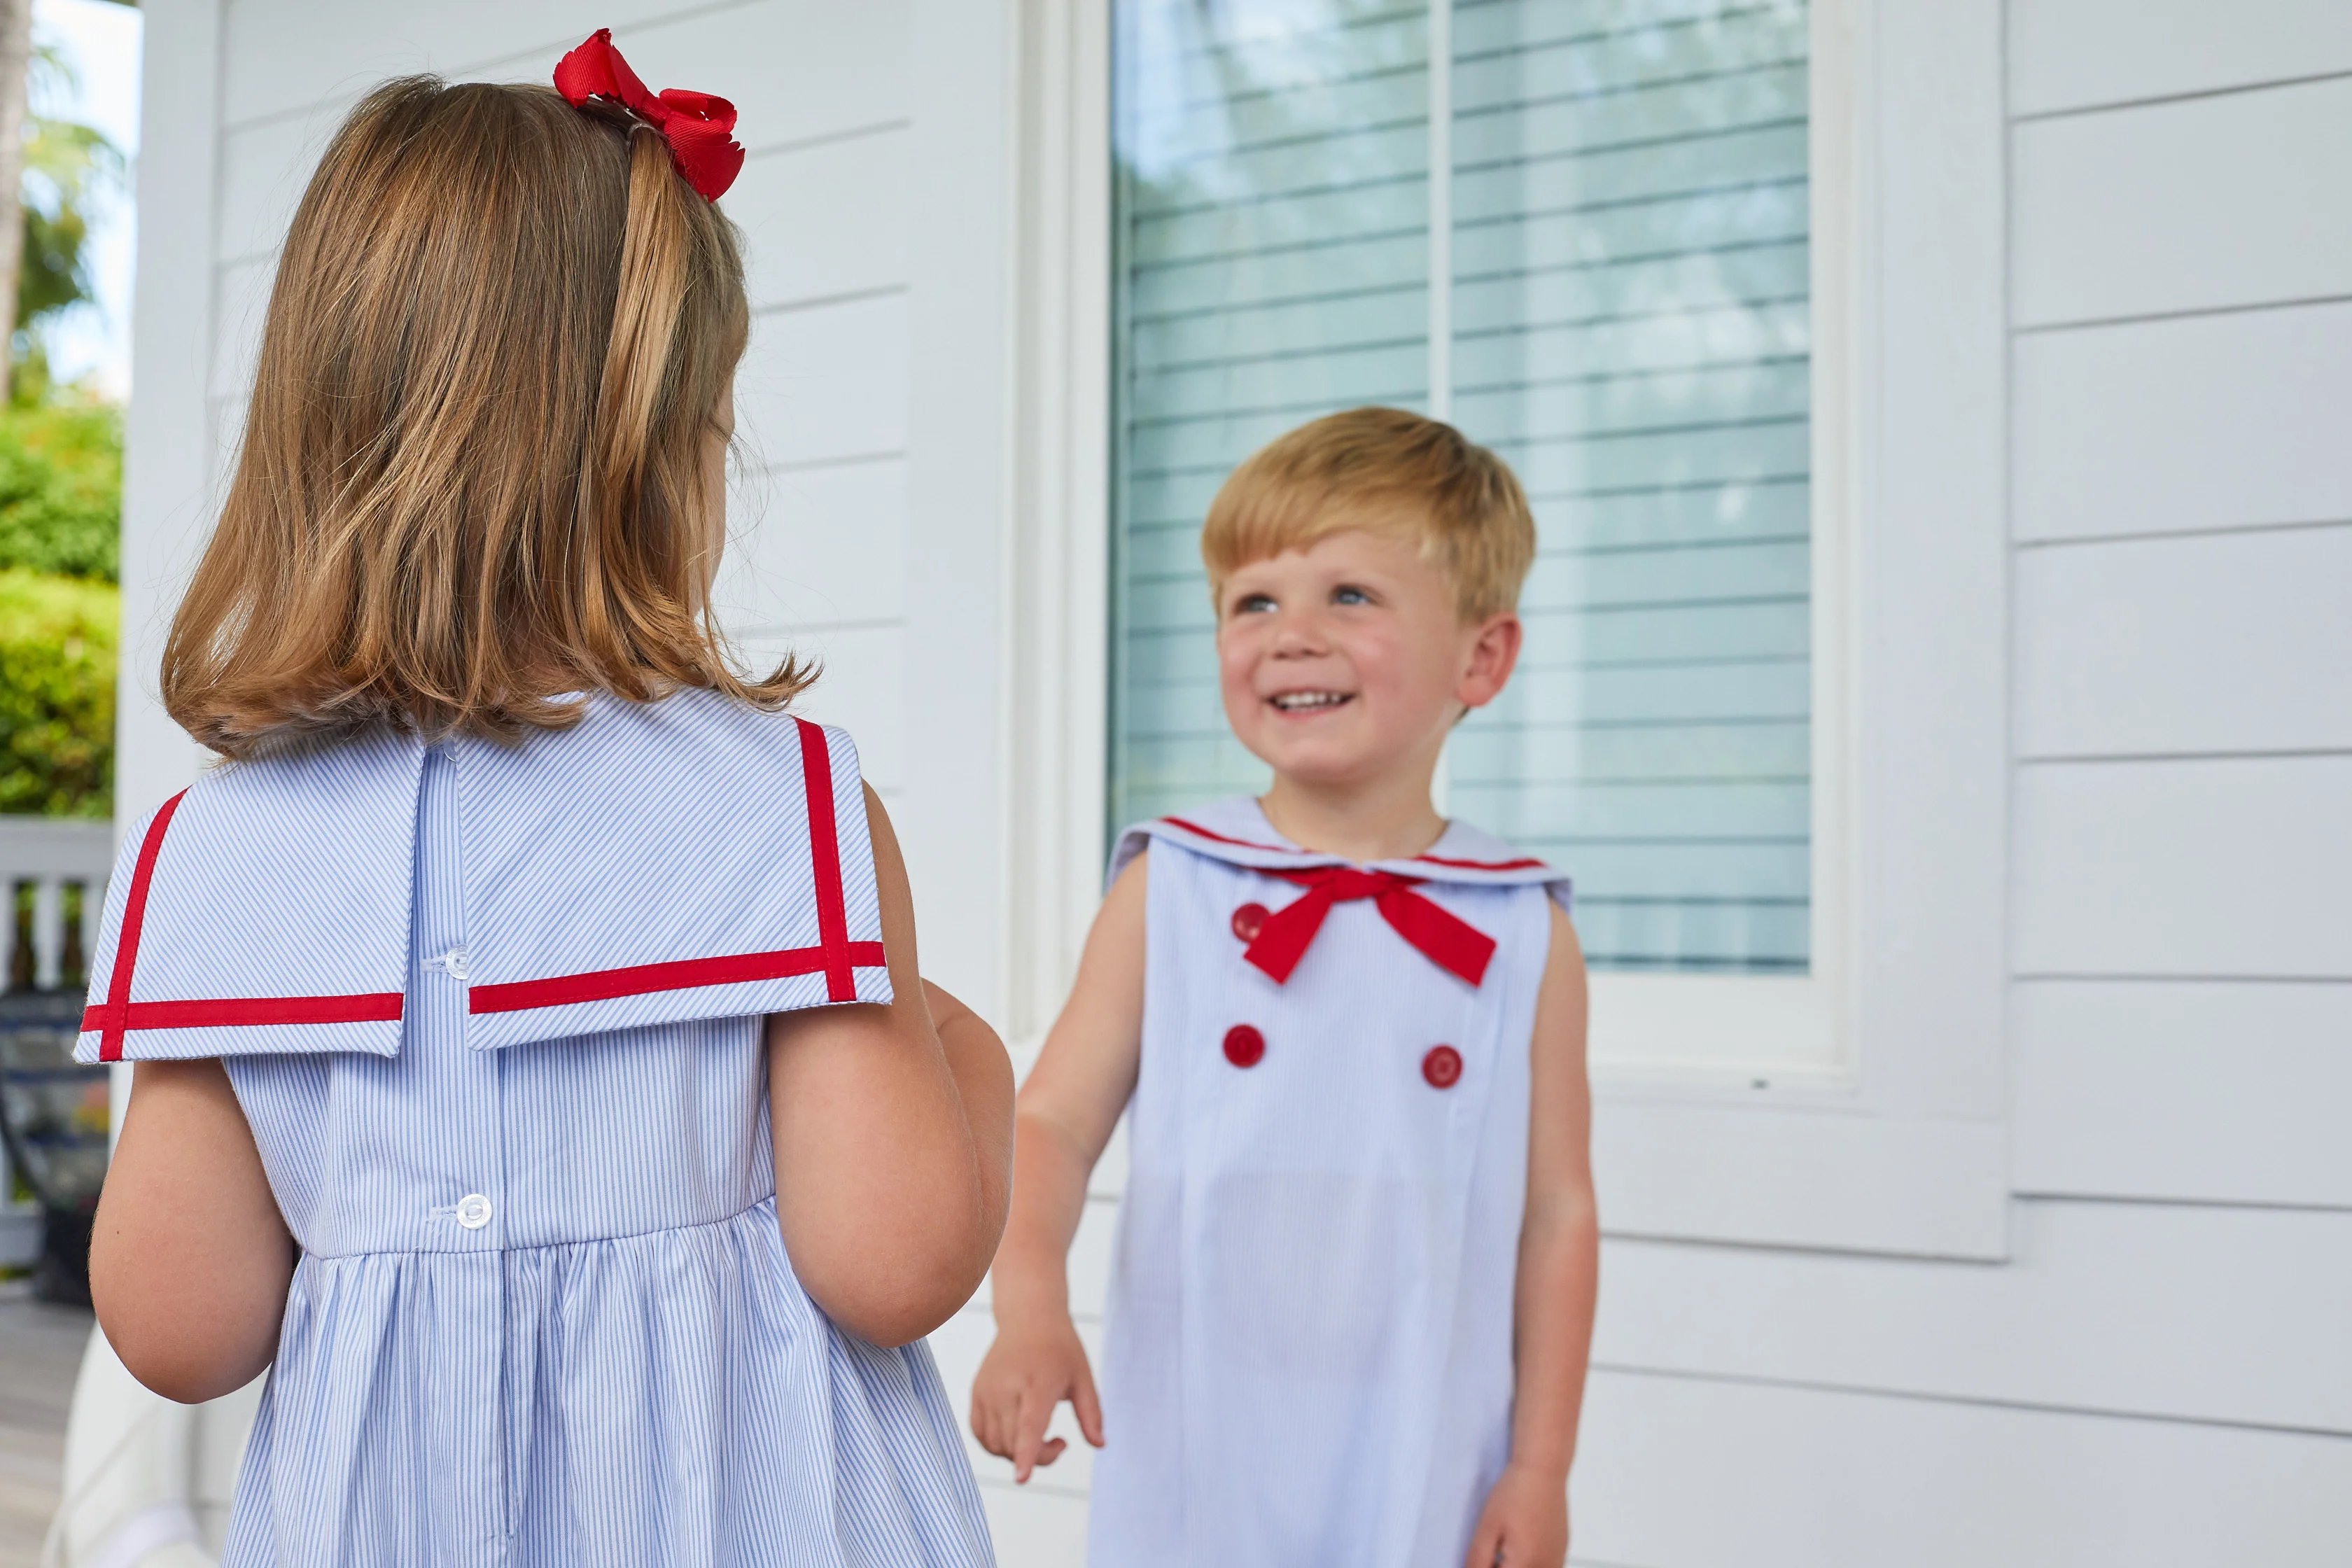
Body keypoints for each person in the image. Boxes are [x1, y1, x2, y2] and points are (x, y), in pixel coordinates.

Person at [83, 33, 1009, 1568]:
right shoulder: (782, 805)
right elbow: (893, 1258)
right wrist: (960, 1055)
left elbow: (178, 1323)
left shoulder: (217, 853)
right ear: (655, 460)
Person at [972, 407, 1600, 1567]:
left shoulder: (1521, 924)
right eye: (1254, 601)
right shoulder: (1173, 881)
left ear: (1483, 656)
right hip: (1202, 1415)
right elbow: (1051, 1121)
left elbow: (1558, 1215)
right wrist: (1029, 1304)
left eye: (1349, 597)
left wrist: (1540, 1466)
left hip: (1425, 1433)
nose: (1291, 635)